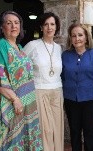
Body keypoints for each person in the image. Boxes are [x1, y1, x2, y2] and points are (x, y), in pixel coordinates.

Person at [0, 10, 43, 150]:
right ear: (2, 27)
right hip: (11, 103)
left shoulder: (20, 47)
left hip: (27, 104)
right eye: (9, 23)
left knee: (25, 140)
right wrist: (15, 100)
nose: (14, 26)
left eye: (17, 23)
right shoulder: (0, 45)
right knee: (10, 142)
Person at [61, 23, 93, 151]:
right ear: (70, 38)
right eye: (73, 36)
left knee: (90, 132)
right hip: (70, 100)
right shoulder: (65, 55)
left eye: (80, 35)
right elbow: (62, 77)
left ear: (86, 37)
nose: (77, 38)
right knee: (74, 132)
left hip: (90, 101)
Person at [23, 12, 64, 151]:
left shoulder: (59, 48)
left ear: (56, 27)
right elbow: (19, 66)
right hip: (40, 92)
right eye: (46, 24)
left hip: (57, 92)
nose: (49, 27)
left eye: (52, 24)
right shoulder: (32, 45)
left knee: (57, 129)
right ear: (41, 27)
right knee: (45, 131)